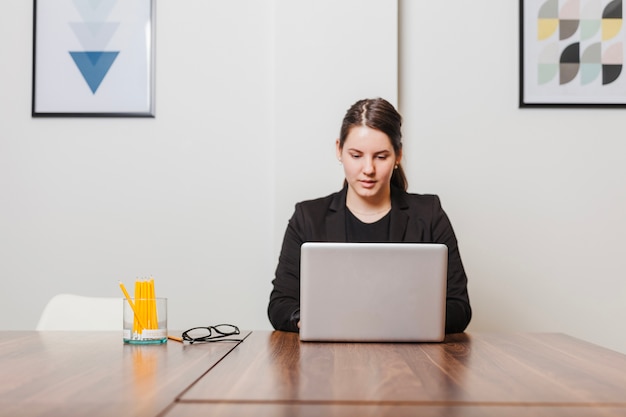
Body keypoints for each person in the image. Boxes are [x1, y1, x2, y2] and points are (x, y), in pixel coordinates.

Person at [268, 98, 471, 334]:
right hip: (329, 360)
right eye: (356, 155)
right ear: (339, 150)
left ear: (398, 156)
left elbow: (459, 308)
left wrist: (387, 320)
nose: (368, 169)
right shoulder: (308, 217)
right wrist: (314, 320)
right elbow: (280, 305)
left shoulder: (429, 214)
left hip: (409, 359)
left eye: (381, 156)